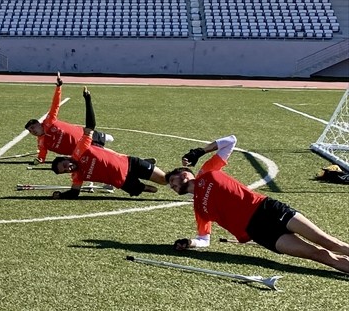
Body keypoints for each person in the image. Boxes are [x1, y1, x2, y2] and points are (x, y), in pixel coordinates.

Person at [165, 136, 349, 273]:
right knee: (318, 255)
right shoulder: (198, 208)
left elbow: (230, 141)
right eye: (171, 186)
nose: (172, 186)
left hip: (268, 209)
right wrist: (190, 243)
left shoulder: (206, 171)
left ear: (185, 174)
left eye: (173, 181)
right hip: (259, 233)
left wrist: (199, 151)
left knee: (327, 241)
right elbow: (204, 240)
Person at [49, 87, 164, 198]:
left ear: (66, 158)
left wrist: (88, 99)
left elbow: (90, 126)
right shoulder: (77, 176)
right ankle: (142, 184)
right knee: (152, 189)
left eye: (65, 165)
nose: (68, 168)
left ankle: (144, 163)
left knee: (163, 180)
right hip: (124, 182)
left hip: (129, 163)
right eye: (65, 171)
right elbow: (74, 193)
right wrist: (60, 195)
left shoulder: (80, 150)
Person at [25, 73, 111, 164]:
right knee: (106, 156)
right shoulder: (41, 142)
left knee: (110, 138)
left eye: (33, 127)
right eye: (30, 131)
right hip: (83, 150)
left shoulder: (49, 121)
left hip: (85, 134)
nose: (32, 131)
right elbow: (42, 156)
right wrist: (39, 160)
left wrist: (58, 87)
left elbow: (55, 104)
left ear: (38, 124)